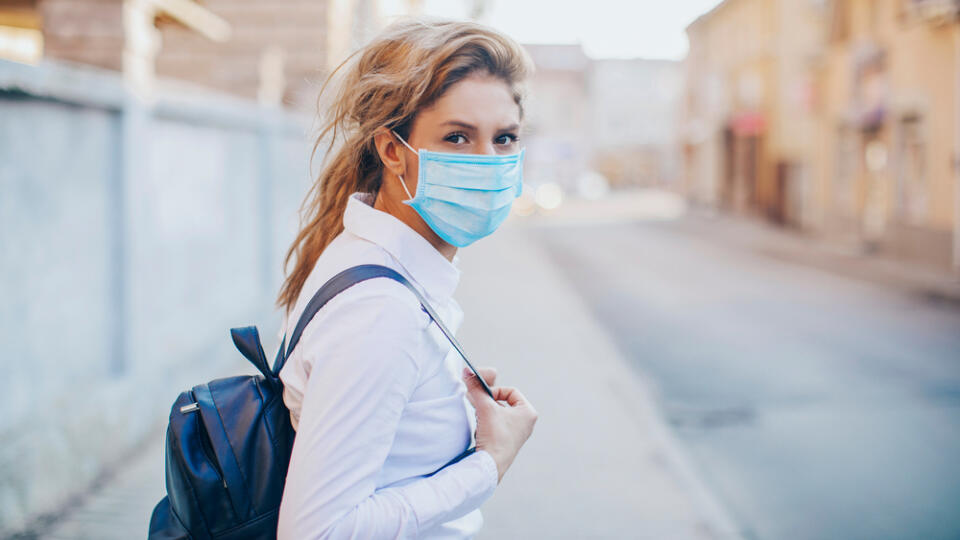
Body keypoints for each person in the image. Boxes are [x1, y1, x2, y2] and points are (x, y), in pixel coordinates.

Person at [274, 19, 539, 539]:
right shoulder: (380, 309)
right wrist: (489, 462)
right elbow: (316, 532)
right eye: (457, 137)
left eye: (504, 138)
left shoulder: (378, 267)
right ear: (393, 150)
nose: (488, 162)